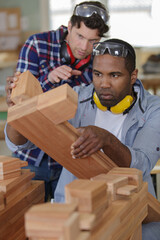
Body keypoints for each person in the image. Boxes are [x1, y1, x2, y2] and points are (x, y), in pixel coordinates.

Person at [5, 38, 160, 239]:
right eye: (97, 74)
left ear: (133, 76)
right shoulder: (77, 97)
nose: (104, 84)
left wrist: (107, 139)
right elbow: (22, 142)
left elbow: (141, 164)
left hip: (131, 211)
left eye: (114, 75)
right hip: (75, 208)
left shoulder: (153, 109)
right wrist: (18, 109)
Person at [5, 1, 109, 201]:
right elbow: (19, 105)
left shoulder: (99, 60)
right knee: (27, 224)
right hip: (33, 157)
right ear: (69, 26)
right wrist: (48, 80)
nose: (84, 47)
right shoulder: (37, 44)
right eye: (80, 36)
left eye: (93, 41)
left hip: (71, 160)